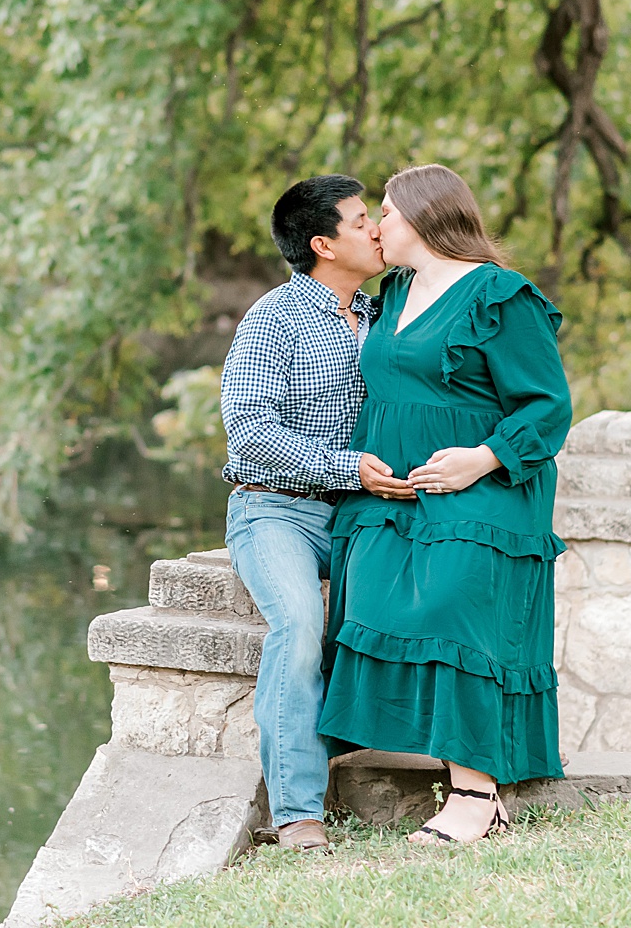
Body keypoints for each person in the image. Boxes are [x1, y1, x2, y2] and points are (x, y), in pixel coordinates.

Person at [319, 163, 572, 844]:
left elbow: (549, 408)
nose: (377, 227)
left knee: (454, 602)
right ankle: (389, 761)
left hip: (486, 488)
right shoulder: (395, 291)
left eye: (388, 215)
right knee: (369, 585)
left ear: (426, 220)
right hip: (396, 493)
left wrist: (480, 460)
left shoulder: (502, 298)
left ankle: (474, 794)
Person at [218, 174, 405, 852]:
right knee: (299, 626)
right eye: (362, 222)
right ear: (323, 244)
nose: (377, 230)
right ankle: (298, 814)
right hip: (277, 513)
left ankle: (458, 779)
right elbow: (250, 434)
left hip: (367, 511)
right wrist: (344, 467)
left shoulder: (390, 316)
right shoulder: (274, 318)